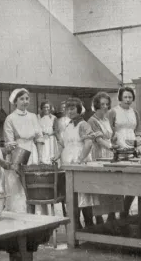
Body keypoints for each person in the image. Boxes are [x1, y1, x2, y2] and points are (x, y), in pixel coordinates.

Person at [52, 97, 98, 228]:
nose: (70, 111)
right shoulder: (68, 125)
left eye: (72, 108)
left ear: (78, 109)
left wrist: (80, 160)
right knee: (71, 195)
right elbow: (62, 144)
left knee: (84, 194)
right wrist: (56, 156)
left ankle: (89, 224)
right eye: (67, 109)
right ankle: (76, 224)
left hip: (79, 162)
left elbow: (88, 143)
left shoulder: (83, 124)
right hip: (68, 163)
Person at [3, 88, 45, 213]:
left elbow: (39, 138)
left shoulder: (33, 117)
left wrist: (41, 157)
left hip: (32, 154)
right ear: (15, 101)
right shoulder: (10, 119)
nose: (25, 101)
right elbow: (9, 142)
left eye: (27, 98)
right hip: (18, 153)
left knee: (34, 186)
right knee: (18, 186)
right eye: (22, 99)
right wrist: (15, 162)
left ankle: (37, 216)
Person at [88, 92, 124, 226]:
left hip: (109, 153)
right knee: (101, 186)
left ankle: (112, 215)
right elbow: (98, 139)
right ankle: (98, 218)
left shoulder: (106, 119)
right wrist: (111, 147)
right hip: (99, 154)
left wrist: (114, 140)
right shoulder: (92, 121)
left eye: (107, 104)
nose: (105, 107)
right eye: (102, 104)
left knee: (114, 185)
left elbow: (110, 135)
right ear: (97, 105)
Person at [108, 87, 141, 218]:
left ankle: (125, 209)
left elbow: (138, 130)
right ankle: (112, 213)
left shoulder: (135, 112)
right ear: (120, 98)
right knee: (116, 181)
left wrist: (139, 140)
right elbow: (109, 130)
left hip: (132, 146)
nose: (128, 100)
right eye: (125, 97)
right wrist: (114, 143)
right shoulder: (113, 112)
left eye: (130, 97)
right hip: (117, 147)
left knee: (134, 181)